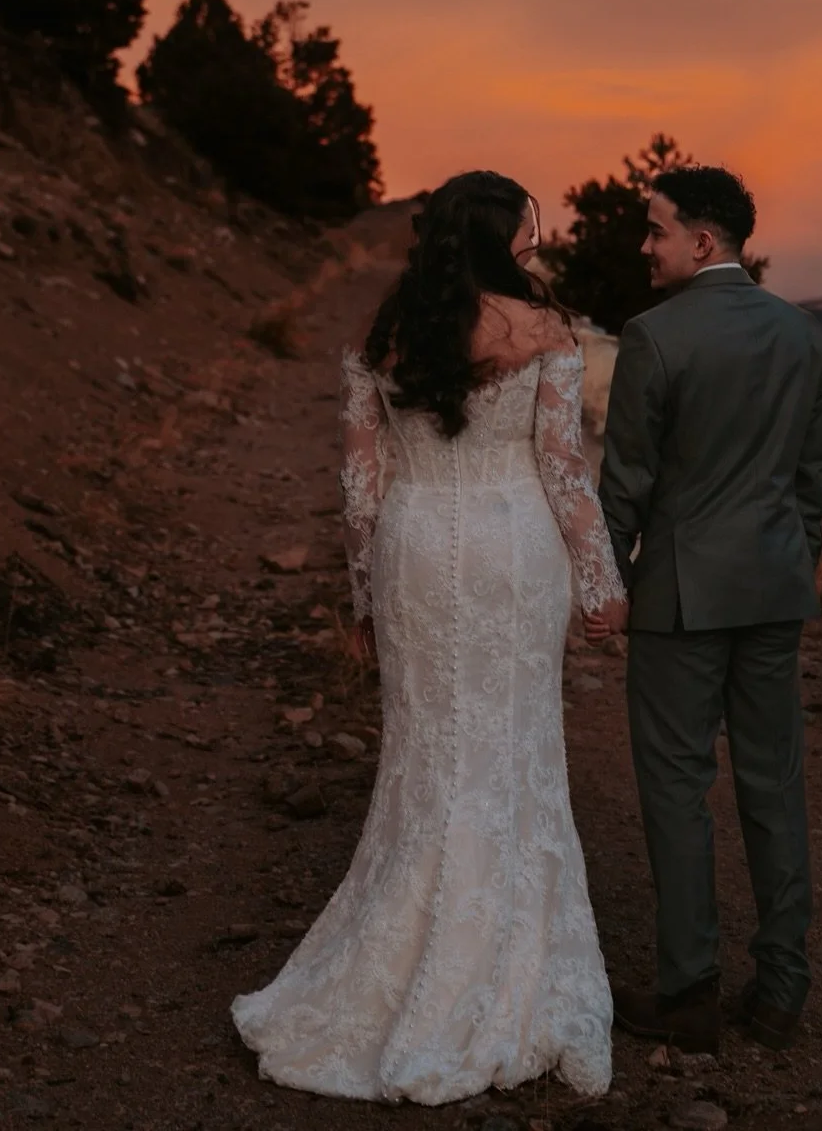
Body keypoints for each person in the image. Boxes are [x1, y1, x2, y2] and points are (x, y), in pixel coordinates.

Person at [232, 171, 629, 1104]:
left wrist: (366, 598)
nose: (537, 245)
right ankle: (501, 963)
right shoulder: (546, 333)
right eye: (528, 232)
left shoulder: (388, 335)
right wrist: (603, 586)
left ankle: (393, 956)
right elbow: (565, 471)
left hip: (413, 547)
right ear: (498, 239)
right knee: (513, 745)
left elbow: (360, 485)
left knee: (427, 749)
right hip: (514, 549)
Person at [599, 165, 822, 1055]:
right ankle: (781, 991)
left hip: (680, 602)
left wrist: (605, 590)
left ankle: (689, 990)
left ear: (703, 242)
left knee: (676, 790)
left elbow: (625, 489)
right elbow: (811, 484)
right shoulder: (803, 336)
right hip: (774, 591)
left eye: (655, 230)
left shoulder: (654, 338)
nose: (643, 246)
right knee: (775, 783)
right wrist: (786, 570)